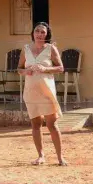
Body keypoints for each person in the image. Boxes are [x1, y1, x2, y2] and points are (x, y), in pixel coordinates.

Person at [18, 22, 67, 166]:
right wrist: (26, 71)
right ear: (33, 33)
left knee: (52, 124)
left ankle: (60, 157)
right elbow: (19, 68)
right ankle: (40, 156)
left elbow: (61, 68)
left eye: (42, 32)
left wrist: (45, 69)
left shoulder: (51, 49)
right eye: (37, 31)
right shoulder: (25, 49)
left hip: (46, 91)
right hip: (30, 91)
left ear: (47, 34)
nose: (39, 34)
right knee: (36, 124)